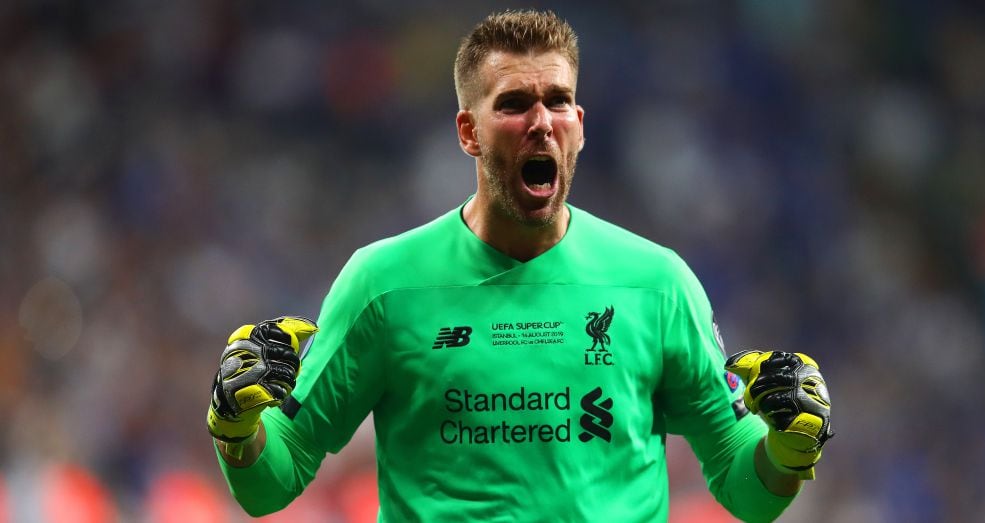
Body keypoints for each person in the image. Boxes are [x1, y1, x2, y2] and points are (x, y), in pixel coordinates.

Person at [206, 9, 833, 522]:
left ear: (580, 127)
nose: (540, 122)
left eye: (558, 102)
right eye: (513, 104)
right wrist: (238, 429)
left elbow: (740, 481)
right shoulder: (382, 285)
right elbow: (272, 485)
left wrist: (787, 447)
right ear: (468, 131)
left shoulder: (657, 284)